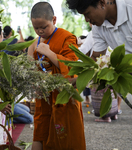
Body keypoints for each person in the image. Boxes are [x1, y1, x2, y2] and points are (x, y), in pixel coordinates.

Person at [28, 2, 86, 150]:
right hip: (44, 96)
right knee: (40, 132)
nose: (40, 31)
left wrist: (50, 54)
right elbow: (35, 68)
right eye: (36, 28)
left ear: (54, 20)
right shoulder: (37, 42)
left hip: (64, 96)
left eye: (44, 27)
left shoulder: (67, 38)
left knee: (67, 136)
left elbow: (73, 66)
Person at [66, 0, 129, 115]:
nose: (86, 19)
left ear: (102, 3)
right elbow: (96, 57)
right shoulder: (98, 28)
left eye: (87, 13)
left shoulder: (131, 9)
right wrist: (81, 79)